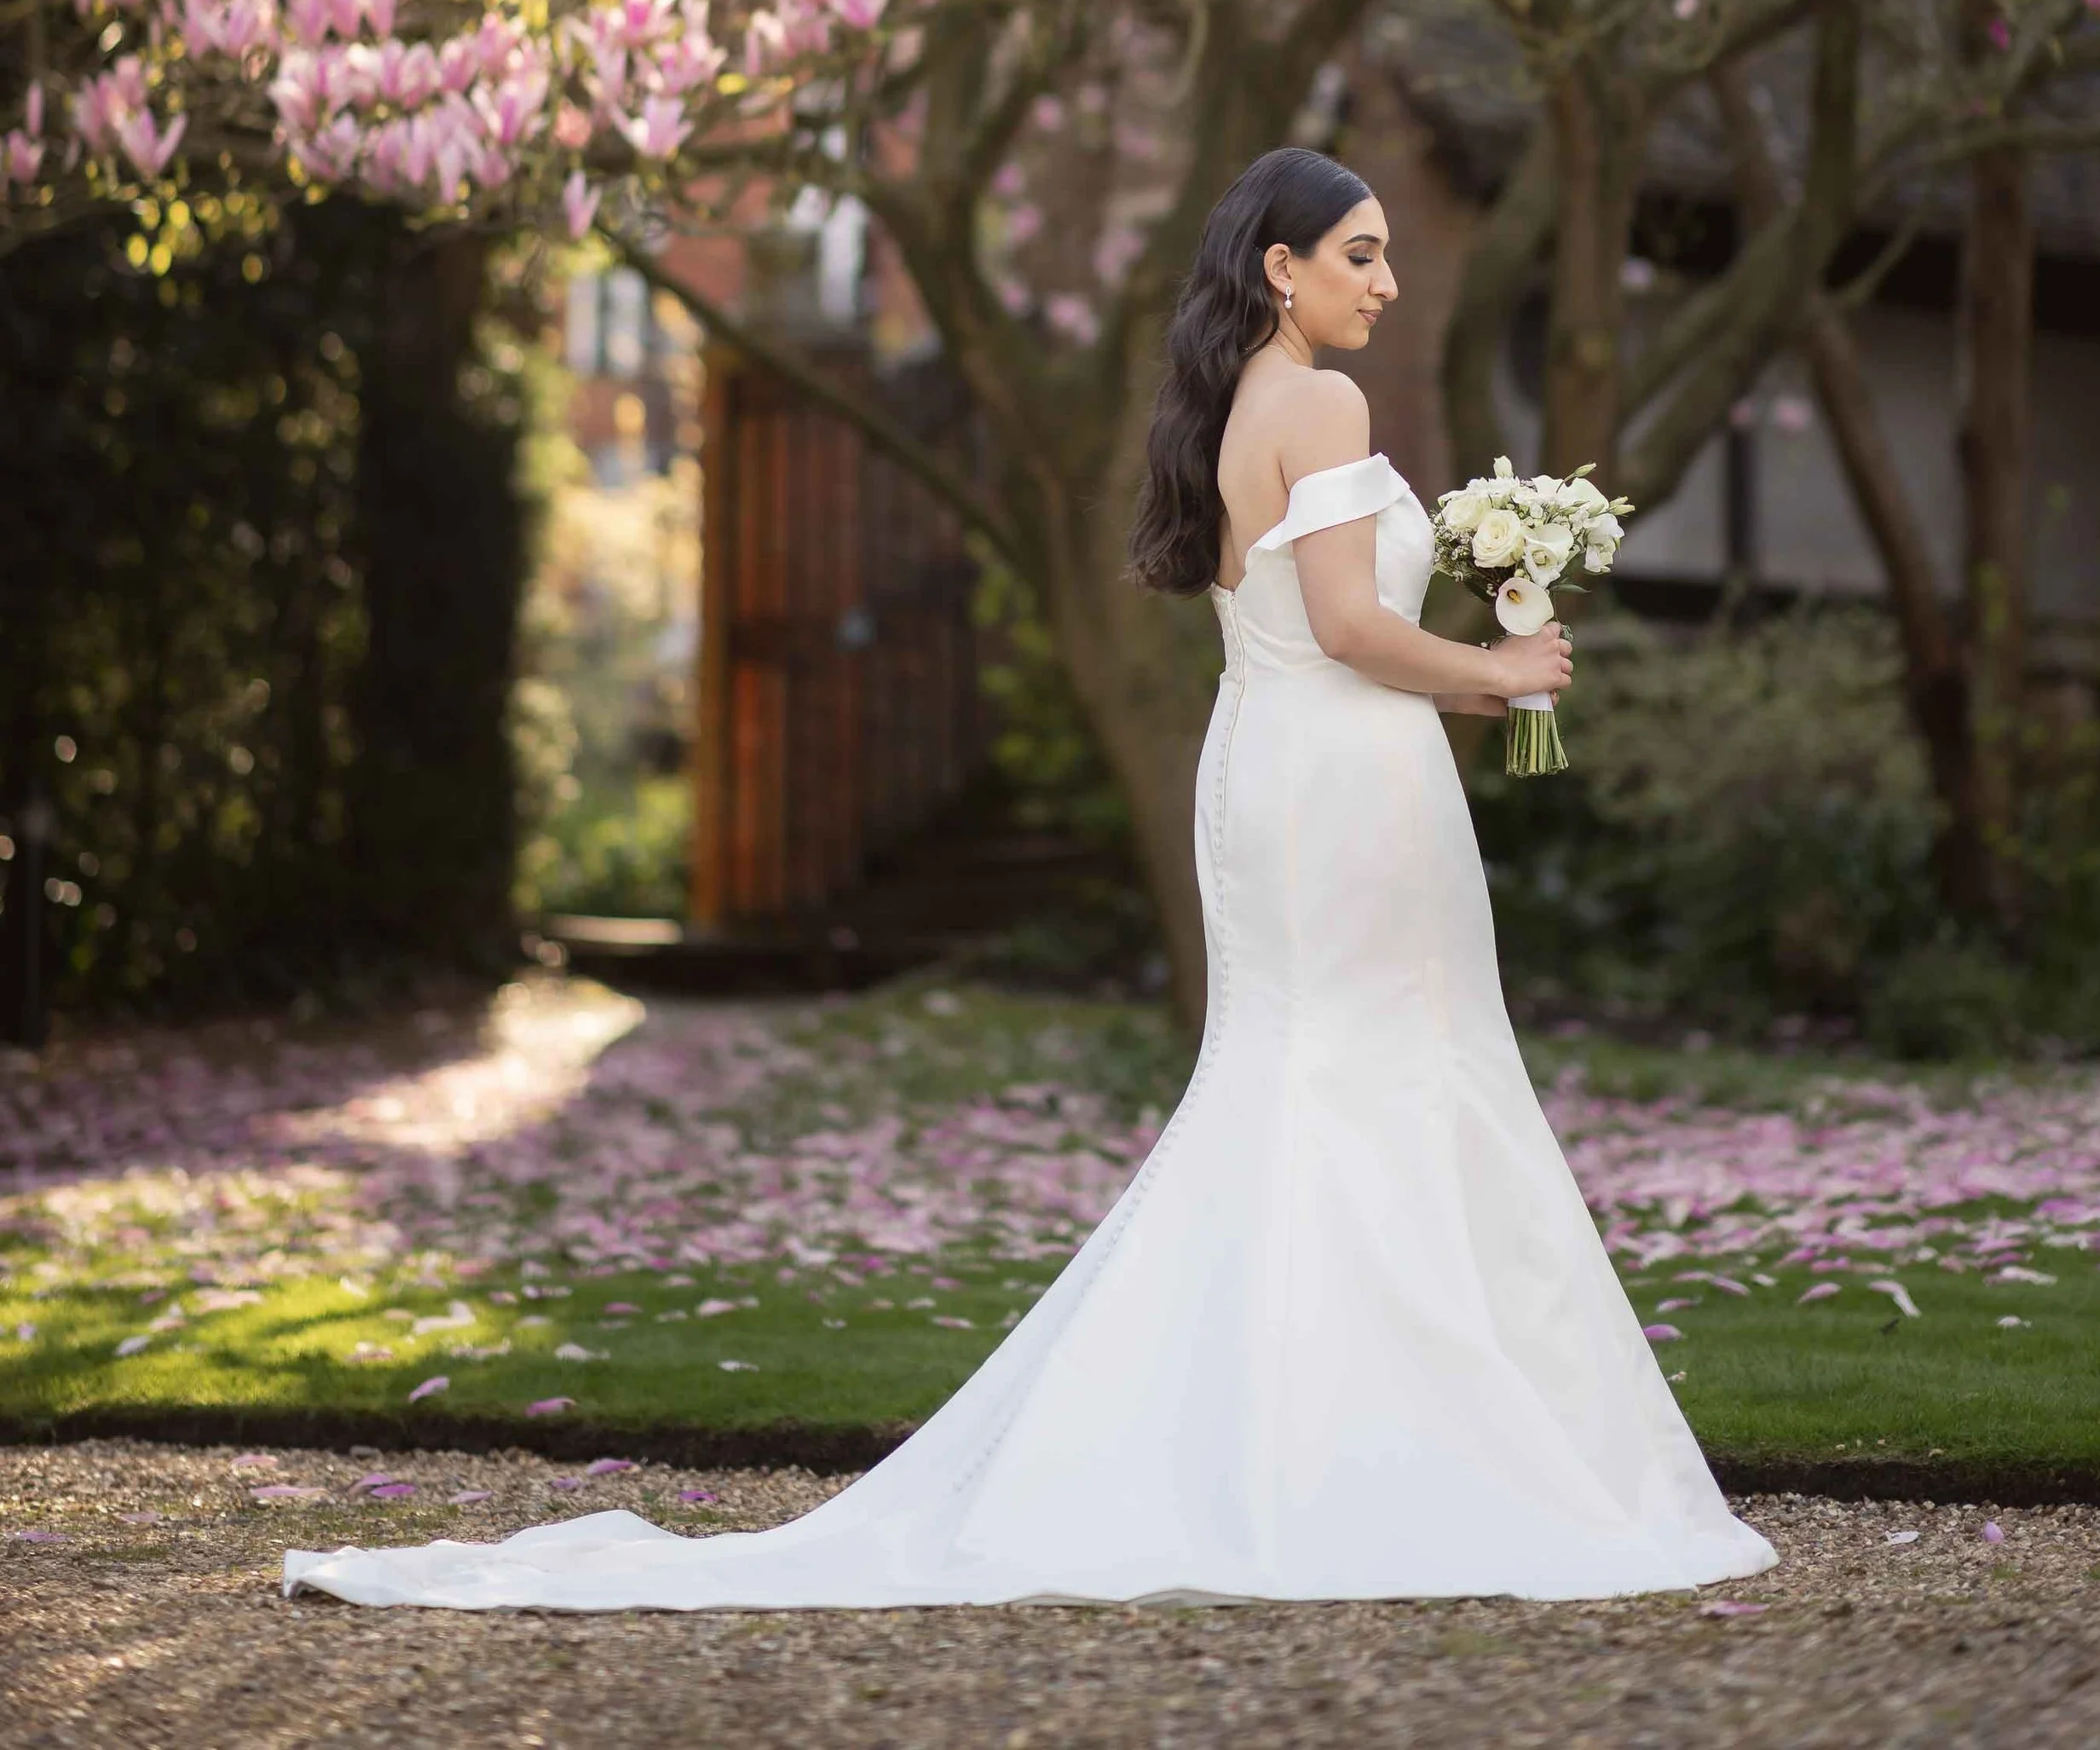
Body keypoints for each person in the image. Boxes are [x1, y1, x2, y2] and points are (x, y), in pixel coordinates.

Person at [286, 147, 1774, 1612]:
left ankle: (1308, 1431)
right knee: (1382, 1063)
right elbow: (1346, 629)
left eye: (1388, 254)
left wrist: (1482, 655)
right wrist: (1499, 669)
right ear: (1283, 268)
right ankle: (1389, 1452)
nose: (1384, 283)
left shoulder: (1232, 407)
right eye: (1360, 255)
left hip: (1280, 775)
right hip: (1347, 787)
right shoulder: (1320, 398)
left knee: (1325, 1069)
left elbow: (1307, 630)